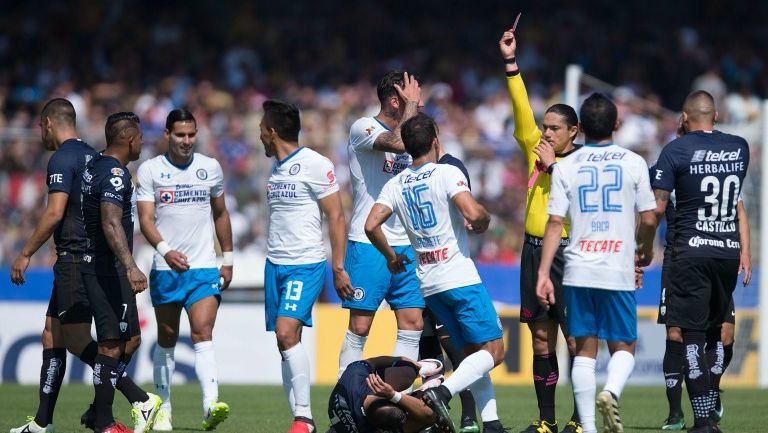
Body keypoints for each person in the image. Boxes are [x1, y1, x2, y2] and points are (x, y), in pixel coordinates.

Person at [9, 99, 155, 433]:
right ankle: (43, 422)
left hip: (76, 260)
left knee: (76, 339)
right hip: (88, 258)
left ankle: (136, 398)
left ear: (48, 123)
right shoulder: (94, 155)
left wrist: (26, 251)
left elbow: (55, 212)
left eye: (40, 127)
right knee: (52, 334)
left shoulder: (61, 158)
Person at [365, 113, 508, 433]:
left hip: (428, 283)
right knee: (494, 352)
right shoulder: (446, 173)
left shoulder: (396, 183)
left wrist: (391, 257)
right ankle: (440, 391)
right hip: (459, 277)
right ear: (435, 141)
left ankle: (492, 424)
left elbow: (371, 225)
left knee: (473, 354)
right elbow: (473, 213)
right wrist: (484, 220)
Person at [535, 93, 657, 433]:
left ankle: (588, 428)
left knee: (584, 350)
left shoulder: (566, 166)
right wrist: (643, 252)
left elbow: (555, 223)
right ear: (617, 125)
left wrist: (544, 272)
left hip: (577, 269)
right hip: (616, 266)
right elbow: (649, 217)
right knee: (624, 345)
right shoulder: (633, 162)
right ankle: (612, 391)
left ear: (582, 127)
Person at [650, 90, 749, 433]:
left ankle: (704, 419)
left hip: (690, 253)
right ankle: (695, 413)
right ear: (717, 115)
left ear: (684, 117)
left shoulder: (675, 152)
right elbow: (734, 201)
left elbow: (657, 208)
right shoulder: (740, 147)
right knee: (712, 331)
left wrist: (641, 248)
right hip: (726, 252)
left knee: (692, 337)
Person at [499, 27, 582, 433]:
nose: (545, 133)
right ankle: (546, 420)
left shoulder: (583, 163)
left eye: (554, 128)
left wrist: (554, 167)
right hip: (534, 253)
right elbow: (521, 109)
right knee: (541, 340)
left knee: (575, 341)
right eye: (544, 127)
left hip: (570, 253)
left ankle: (581, 419)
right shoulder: (535, 147)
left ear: (573, 132)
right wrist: (511, 64)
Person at [136, 108, 234, 431]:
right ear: (167, 135)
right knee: (166, 338)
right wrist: (166, 251)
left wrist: (228, 259)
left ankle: (210, 406)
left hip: (204, 268)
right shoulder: (151, 170)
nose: (187, 141)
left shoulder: (211, 168)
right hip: (166, 268)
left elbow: (221, 214)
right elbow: (146, 220)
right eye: (180, 135)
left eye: (191, 134)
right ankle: (163, 408)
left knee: (203, 333)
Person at [259, 99, 353, 433]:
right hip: (275, 264)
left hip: (305, 263)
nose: (259, 135)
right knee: (284, 341)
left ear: (271, 132)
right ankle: (299, 417)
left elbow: (336, 216)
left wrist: (338, 267)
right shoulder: (276, 167)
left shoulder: (314, 164)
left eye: (261, 129)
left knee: (286, 332)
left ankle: (304, 418)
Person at [339, 71, 425, 378]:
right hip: (369, 242)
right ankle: (346, 397)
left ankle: (398, 398)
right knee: (360, 326)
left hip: (409, 242)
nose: (420, 104)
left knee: (413, 323)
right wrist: (412, 107)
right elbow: (399, 143)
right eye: (412, 99)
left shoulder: (416, 130)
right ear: (394, 101)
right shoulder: (362, 127)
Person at [81, 112, 161, 433]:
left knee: (131, 340)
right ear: (130, 140)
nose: (142, 143)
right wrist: (130, 265)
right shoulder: (115, 174)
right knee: (111, 346)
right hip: (108, 269)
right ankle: (104, 422)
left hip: (101, 265)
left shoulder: (95, 165)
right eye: (140, 137)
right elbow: (110, 221)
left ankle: (103, 408)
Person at [418, 136, 479, 433]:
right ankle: (434, 417)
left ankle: (469, 415)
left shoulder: (451, 168)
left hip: (446, 271)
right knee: (426, 344)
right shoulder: (416, 171)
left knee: (454, 346)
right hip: (421, 270)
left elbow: (466, 214)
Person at [327, 356, 443, 433]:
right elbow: (429, 415)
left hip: (344, 418)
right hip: (350, 423)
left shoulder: (354, 378)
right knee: (426, 419)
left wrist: (401, 359)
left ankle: (416, 371)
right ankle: (420, 393)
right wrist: (393, 395)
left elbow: (372, 361)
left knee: (407, 373)